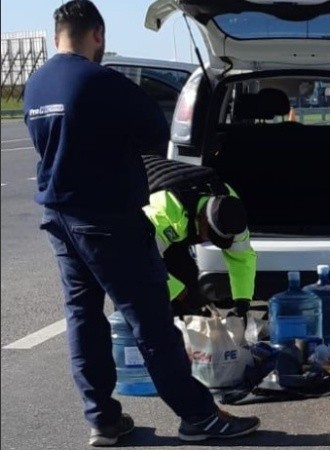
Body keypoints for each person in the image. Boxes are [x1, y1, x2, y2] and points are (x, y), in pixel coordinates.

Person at [23, 1, 259, 446]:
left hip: (59, 218)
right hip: (109, 219)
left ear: (58, 36)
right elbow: (154, 132)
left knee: (83, 318)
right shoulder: (101, 81)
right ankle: (197, 416)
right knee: (150, 321)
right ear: (98, 34)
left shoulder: (37, 85)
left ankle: (103, 420)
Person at [141, 156, 256, 318]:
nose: (209, 241)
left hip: (176, 219)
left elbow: (242, 258)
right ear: (202, 218)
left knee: (193, 291)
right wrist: (181, 294)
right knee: (145, 296)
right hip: (126, 186)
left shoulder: (231, 208)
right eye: (210, 236)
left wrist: (242, 302)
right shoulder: (167, 212)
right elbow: (142, 260)